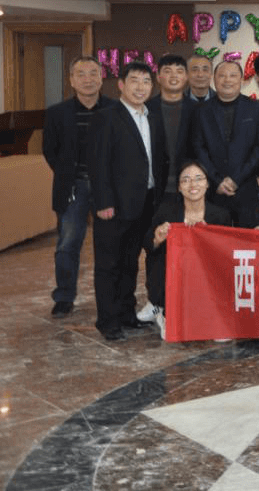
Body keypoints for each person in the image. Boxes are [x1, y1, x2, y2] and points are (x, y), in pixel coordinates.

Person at [89, 61, 167, 341]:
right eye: (134, 80)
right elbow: (98, 163)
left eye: (146, 81)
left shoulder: (152, 116)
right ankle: (107, 321)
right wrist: (103, 202)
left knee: (130, 262)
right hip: (114, 205)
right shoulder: (106, 117)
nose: (141, 87)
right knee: (108, 264)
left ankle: (125, 313)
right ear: (121, 85)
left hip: (145, 201)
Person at [43, 55, 113, 318]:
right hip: (73, 187)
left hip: (107, 188)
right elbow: (50, 150)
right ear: (71, 80)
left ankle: (112, 295)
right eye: (81, 74)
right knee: (67, 244)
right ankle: (64, 296)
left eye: (93, 73)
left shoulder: (115, 109)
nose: (88, 79)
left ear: (101, 78)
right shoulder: (57, 113)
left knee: (110, 244)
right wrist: (68, 175)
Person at [137, 54, 198, 325]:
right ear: (158, 76)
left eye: (179, 71)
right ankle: (155, 300)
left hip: (190, 191)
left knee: (191, 248)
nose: (174, 76)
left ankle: (190, 299)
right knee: (156, 246)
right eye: (167, 71)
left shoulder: (197, 110)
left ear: (186, 77)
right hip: (156, 192)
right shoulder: (145, 109)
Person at [146, 160, 231, 339]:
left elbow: (228, 253)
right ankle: (164, 312)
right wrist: (157, 238)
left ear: (207, 184)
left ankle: (213, 316)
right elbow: (147, 244)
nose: (193, 184)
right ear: (179, 187)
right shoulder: (167, 211)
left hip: (205, 276)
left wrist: (209, 235)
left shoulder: (220, 215)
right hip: (175, 277)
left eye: (199, 179)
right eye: (186, 180)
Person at [193, 59, 259, 214]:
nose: (227, 80)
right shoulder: (201, 111)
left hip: (247, 188)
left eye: (233, 75)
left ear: (241, 80)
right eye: (222, 76)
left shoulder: (256, 108)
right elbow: (198, 148)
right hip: (213, 190)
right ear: (214, 79)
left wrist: (237, 179)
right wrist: (217, 180)